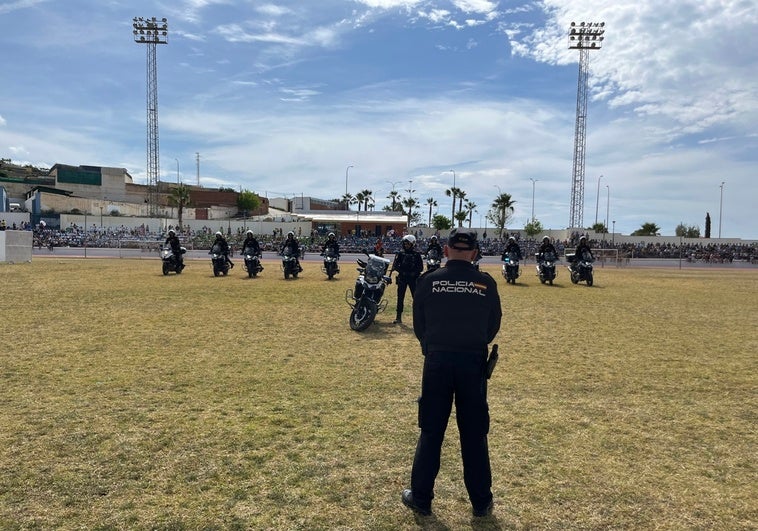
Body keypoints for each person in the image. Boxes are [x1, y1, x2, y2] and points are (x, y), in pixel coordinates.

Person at [402, 228, 502, 518]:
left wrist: (433, 346)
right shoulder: (486, 284)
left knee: (431, 431)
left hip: (437, 362)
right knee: (474, 434)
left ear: (445, 251)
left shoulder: (428, 281)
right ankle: (481, 503)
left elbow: (419, 325)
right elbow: (493, 326)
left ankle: (421, 498)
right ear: (474, 254)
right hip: (472, 364)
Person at [389, 234, 424, 324]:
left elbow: (420, 267)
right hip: (402, 278)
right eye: (405, 244)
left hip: (413, 279)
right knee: (400, 298)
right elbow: (396, 265)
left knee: (415, 298)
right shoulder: (400, 254)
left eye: (408, 244)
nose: (406, 245)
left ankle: (418, 318)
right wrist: (402, 272)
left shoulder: (417, 255)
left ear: (413, 244)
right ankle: (398, 317)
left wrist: (413, 273)